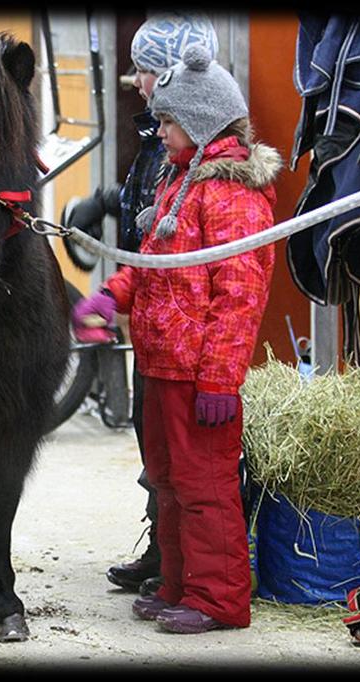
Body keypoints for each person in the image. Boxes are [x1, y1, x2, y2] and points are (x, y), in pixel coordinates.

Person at [73, 44, 281, 633]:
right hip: (161, 362)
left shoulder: (232, 194)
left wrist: (221, 377)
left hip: (198, 375)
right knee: (167, 479)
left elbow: (241, 294)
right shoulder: (180, 179)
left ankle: (219, 600)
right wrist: (112, 295)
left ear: (200, 121)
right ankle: (179, 585)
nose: (158, 130)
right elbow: (152, 260)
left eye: (167, 120)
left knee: (205, 486)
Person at [63, 13, 219, 596]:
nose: (137, 81)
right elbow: (147, 207)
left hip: (182, 333)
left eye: (147, 71)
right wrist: (104, 203)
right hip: (150, 317)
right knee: (148, 435)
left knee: (180, 454)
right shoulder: (161, 136)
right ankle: (164, 550)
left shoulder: (199, 145)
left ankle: (185, 565)